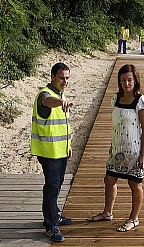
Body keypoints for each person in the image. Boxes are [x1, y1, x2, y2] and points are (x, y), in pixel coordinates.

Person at [87, 64, 144, 232]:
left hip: (134, 151)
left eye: (130, 80)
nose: (127, 83)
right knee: (109, 180)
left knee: (134, 183)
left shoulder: (141, 101)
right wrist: (111, 147)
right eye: (123, 80)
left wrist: (143, 154)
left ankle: (134, 218)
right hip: (117, 150)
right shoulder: (116, 99)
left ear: (136, 80)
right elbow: (116, 125)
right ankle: (107, 212)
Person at [31, 62, 74, 242]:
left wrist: (68, 146)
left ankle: (54, 215)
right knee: (51, 187)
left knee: (56, 185)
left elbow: (61, 125)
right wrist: (60, 102)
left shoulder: (59, 93)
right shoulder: (46, 94)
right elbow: (47, 102)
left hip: (60, 150)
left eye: (67, 78)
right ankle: (50, 225)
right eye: (61, 78)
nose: (65, 81)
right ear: (53, 77)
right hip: (49, 152)